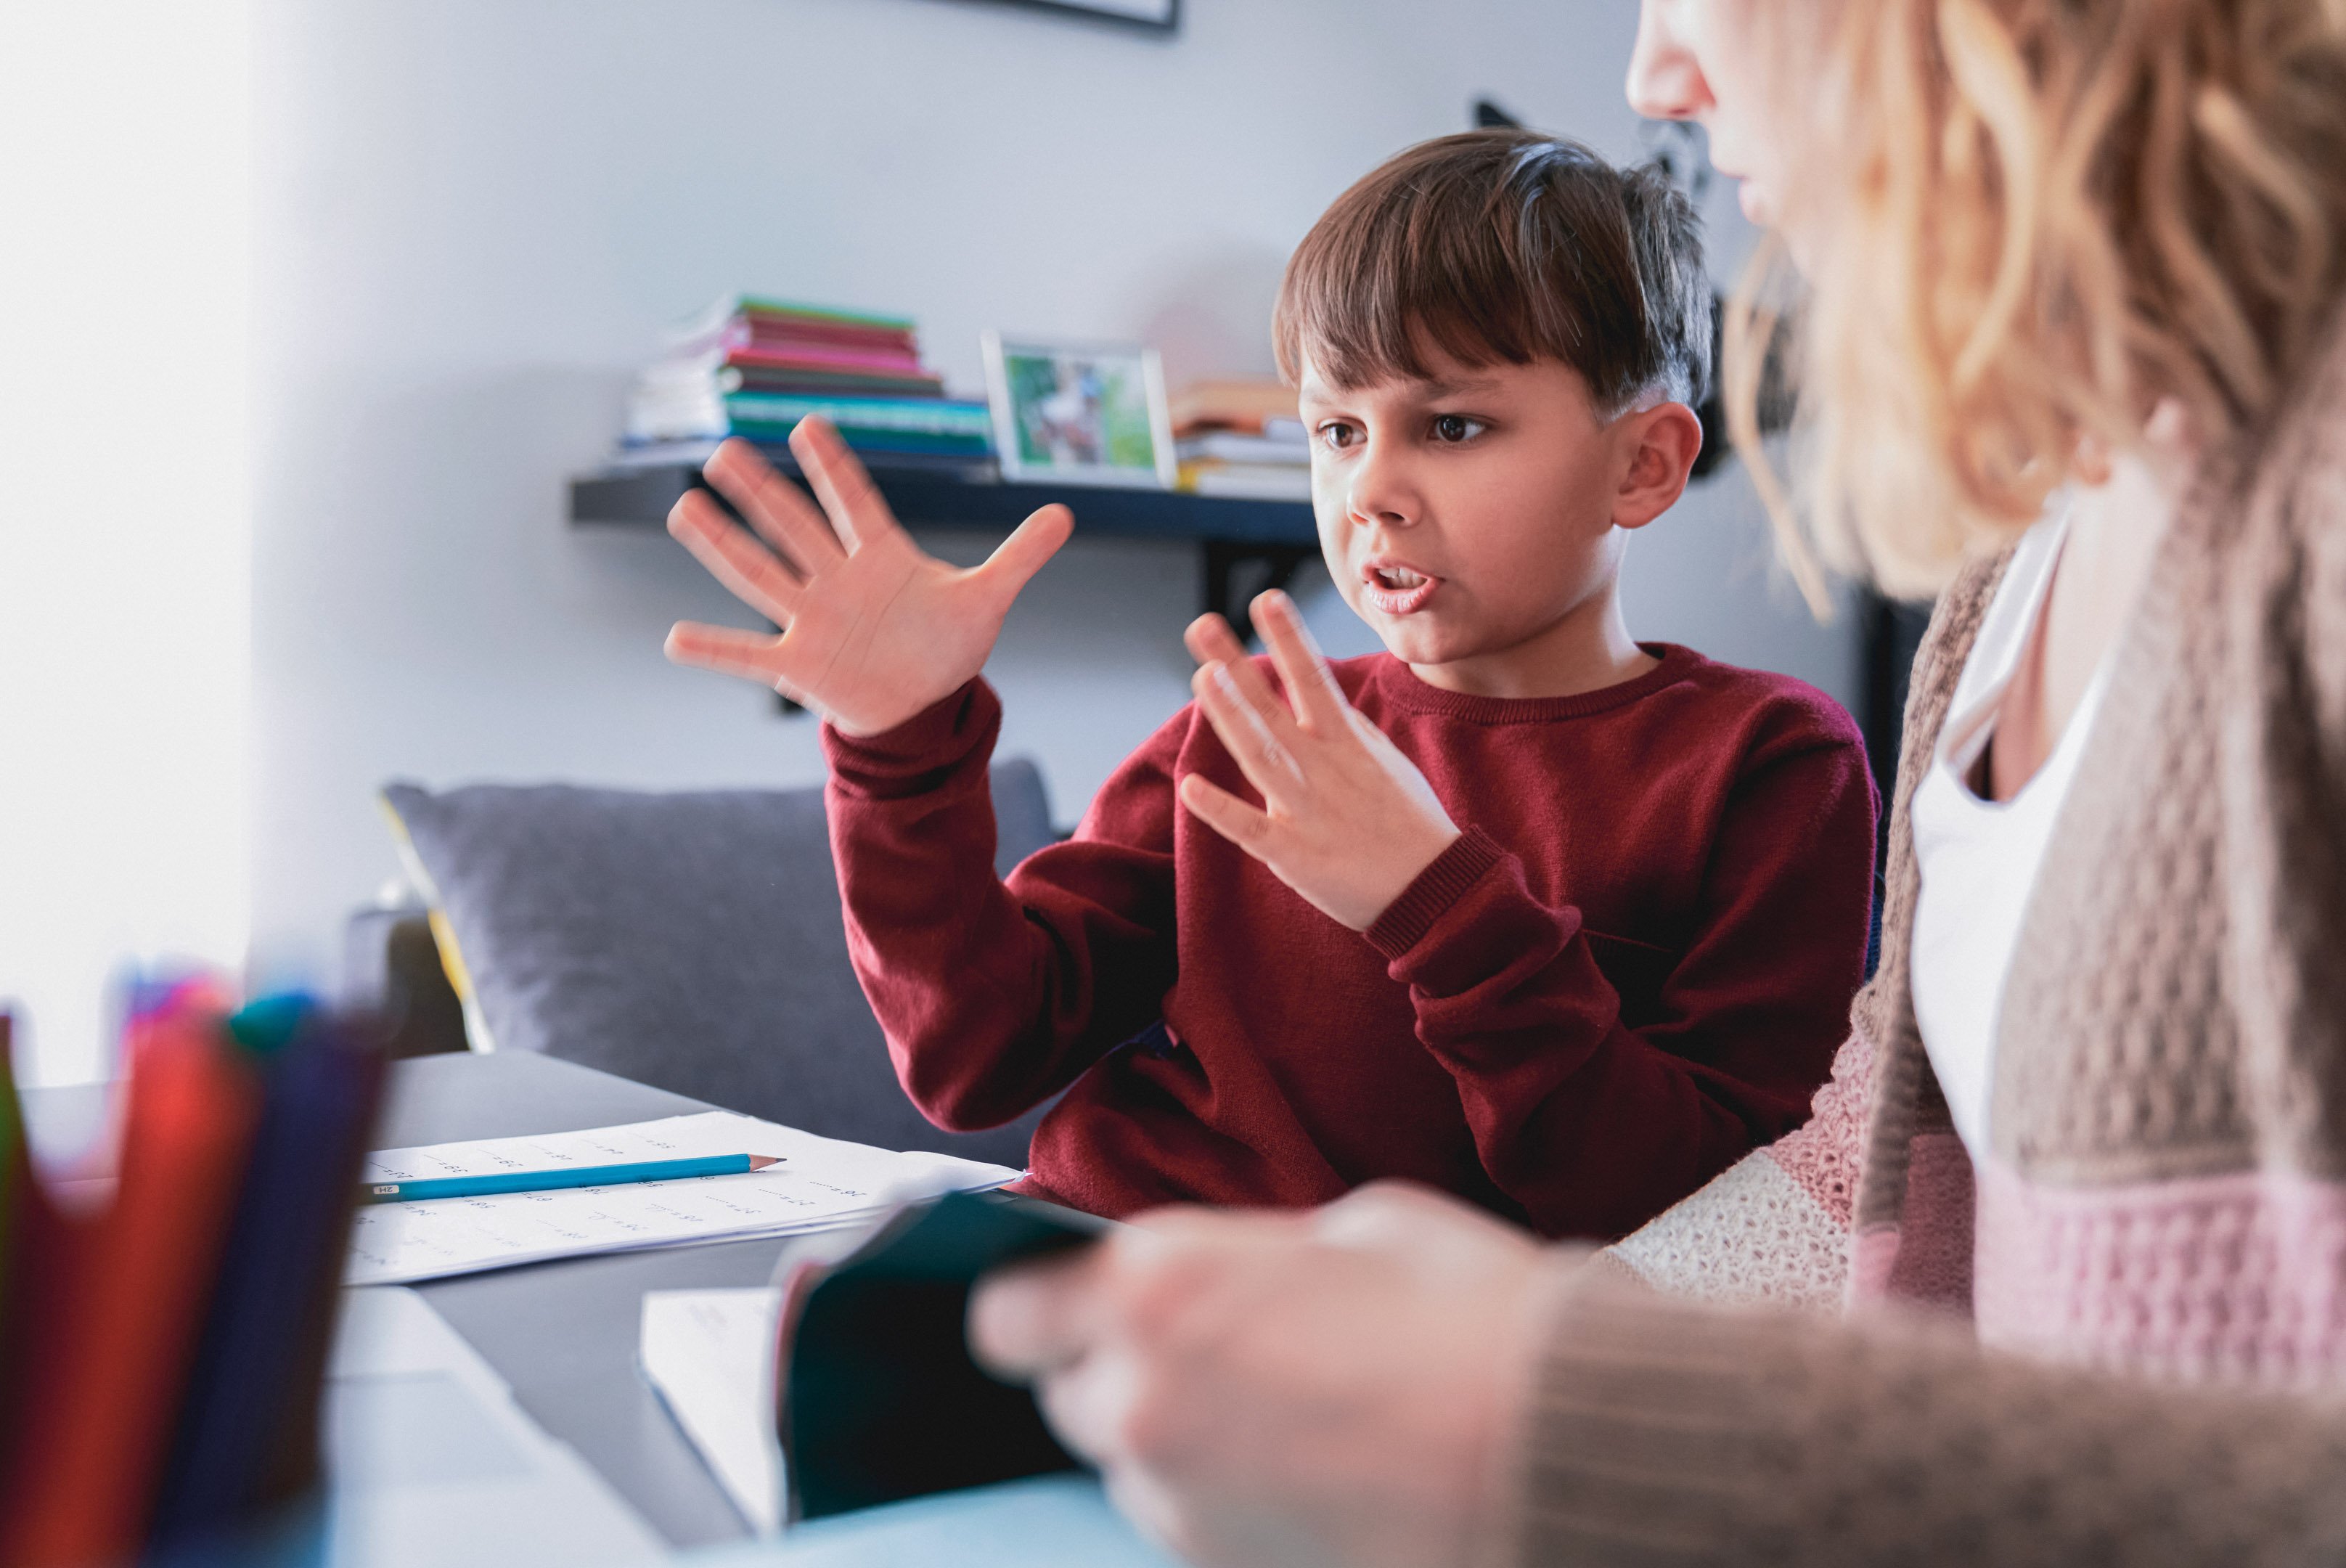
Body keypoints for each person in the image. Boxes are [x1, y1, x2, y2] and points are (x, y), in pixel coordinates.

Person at [964, 1, 2346, 1564]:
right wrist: (1440, 1367)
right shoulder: (2007, 574)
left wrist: (1556, 1404)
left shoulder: (2293, 518)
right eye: (1335, 428)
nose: (1652, 80)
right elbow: (1851, 1174)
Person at [660, 129, 1879, 1238]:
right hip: (1093, 1250)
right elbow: (974, 1055)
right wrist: (899, 746)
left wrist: (1437, 905)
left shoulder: (1770, 763)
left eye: (1450, 427)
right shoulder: (1249, 725)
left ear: (1645, 465)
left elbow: (1700, 1208)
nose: (1372, 492)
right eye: (1337, 432)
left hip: (1379, 1364)